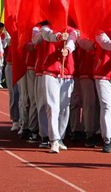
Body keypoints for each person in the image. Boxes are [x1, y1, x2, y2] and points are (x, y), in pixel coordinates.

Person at [39, 23, 78, 154]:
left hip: (67, 72)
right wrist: (59, 36)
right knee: (52, 106)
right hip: (50, 71)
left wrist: (67, 49)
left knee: (64, 107)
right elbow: (47, 35)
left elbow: (72, 40)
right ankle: (54, 139)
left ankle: (60, 137)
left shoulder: (72, 30)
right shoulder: (46, 27)